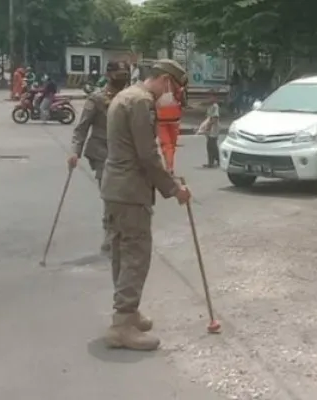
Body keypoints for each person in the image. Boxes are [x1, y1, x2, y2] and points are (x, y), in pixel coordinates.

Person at [101, 59, 191, 351]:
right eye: (174, 87)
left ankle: (127, 312)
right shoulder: (141, 102)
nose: (174, 95)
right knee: (136, 255)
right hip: (130, 190)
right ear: (164, 79)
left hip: (115, 187)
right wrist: (173, 188)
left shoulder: (124, 95)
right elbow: (147, 155)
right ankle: (122, 325)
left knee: (121, 251)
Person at [68, 61, 130, 254]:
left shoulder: (129, 98)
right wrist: (74, 152)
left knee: (124, 196)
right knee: (111, 195)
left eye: (125, 75)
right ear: (109, 74)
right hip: (102, 152)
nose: (122, 78)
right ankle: (109, 235)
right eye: (119, 74)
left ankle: (121, 231)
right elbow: (82, 128)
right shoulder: (96, 99)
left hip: (125, 154)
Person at [156, 72, 186, 174]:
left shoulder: (157, 83)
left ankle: (169, 166)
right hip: (174, 117)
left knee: (166, 144)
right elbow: (182, 100)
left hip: (161, 118)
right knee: (172, 144)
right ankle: (170, 166)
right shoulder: (176, 83)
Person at [199, 93, 220, 167]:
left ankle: (212, 162)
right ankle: (217, 160)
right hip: (210, 130)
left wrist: (208, 126)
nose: (209, 99)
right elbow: (208, 118)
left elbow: (215, 118)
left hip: (213, 129)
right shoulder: (210, 107)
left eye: (210, 97)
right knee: (212, 145)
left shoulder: (215, 106)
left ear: (215, 98)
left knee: (211, 146)